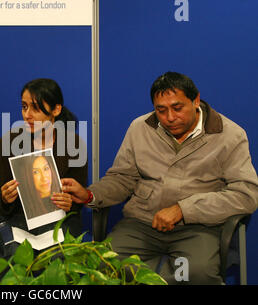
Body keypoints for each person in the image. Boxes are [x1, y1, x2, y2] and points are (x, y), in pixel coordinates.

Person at [62, 71, 258, 284]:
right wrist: (91, 194)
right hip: (143, 223)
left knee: (196, 273)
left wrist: (184, 209)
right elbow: (122, 178)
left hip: (199, 228)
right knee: (105, 264)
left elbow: (246, 194)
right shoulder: (140, 127)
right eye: (161, 110)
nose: (170, 118)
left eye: (177, 108)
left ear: (196, 101)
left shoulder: (229, 135)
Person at [0, 78, 88, 245]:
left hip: (59, 220)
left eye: (35, 108)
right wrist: (5, 198)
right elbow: (0, 201)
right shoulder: (9, 142)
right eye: (24, 107)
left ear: (56, 109)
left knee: (58, 258)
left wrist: (70, 204)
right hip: (20, 221)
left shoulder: (74, 145)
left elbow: (77, 200)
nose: (27, 115)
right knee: (19, 259)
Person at [12, 154, 61, 220]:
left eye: (46, 168)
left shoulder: (61, 197)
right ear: (28, 177)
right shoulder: (29, 208)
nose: (44, 177)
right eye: (36, 172)